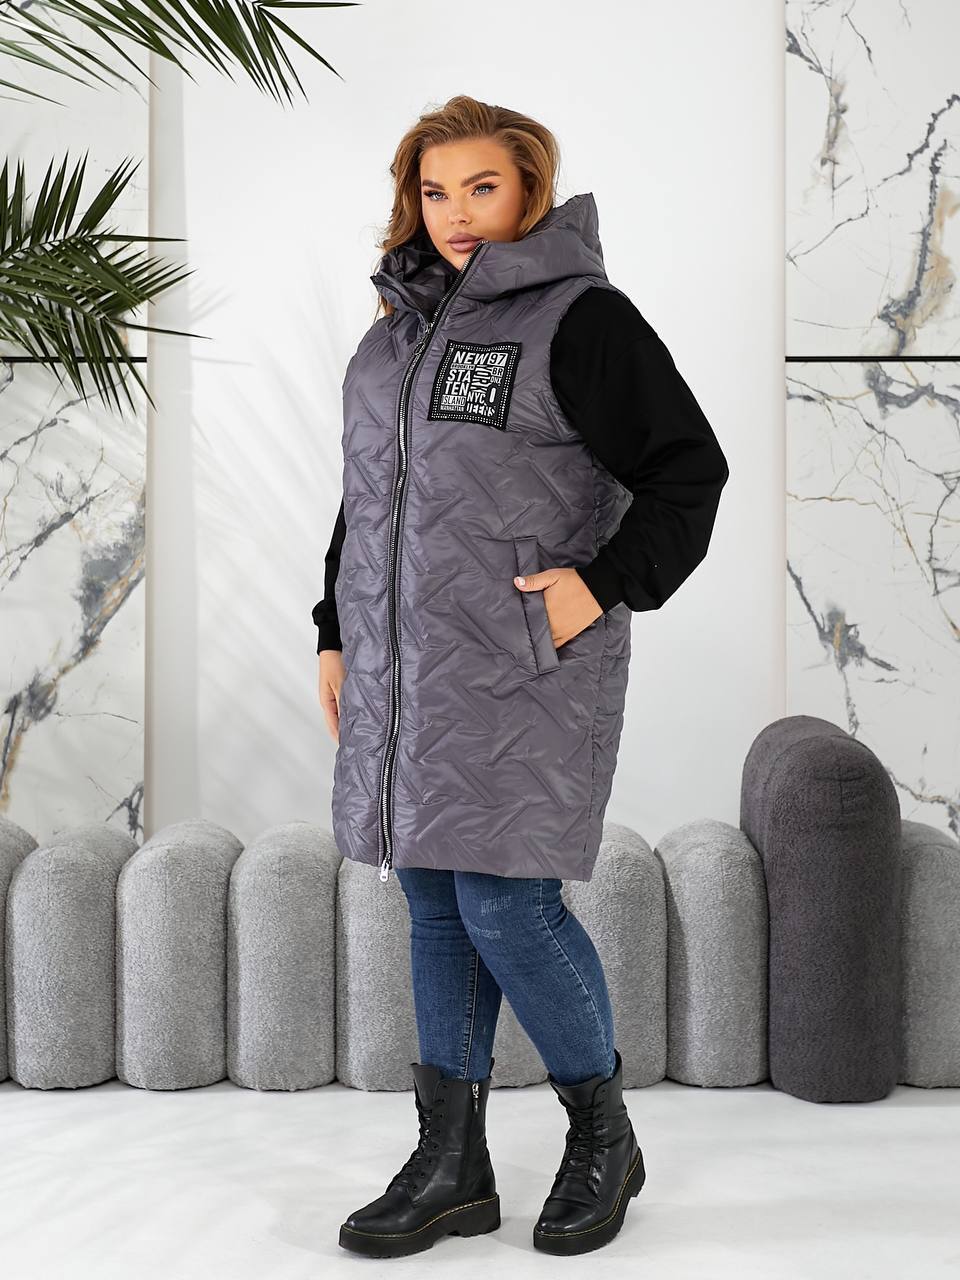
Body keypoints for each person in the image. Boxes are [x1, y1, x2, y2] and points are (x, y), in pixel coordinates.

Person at [317, 95, 729, 1259]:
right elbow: (369, 498)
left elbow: (688, 469)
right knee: (433, 895)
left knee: (507, 901)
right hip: (403, 669)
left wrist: (602, 583)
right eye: (435, 191)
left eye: (482, 187)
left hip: (523, 664)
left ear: (529, 191)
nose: (456, 212)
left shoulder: (581, 320)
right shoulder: (394, 332)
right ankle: (451, 1163)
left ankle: (604, 1136)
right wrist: (332, 628)